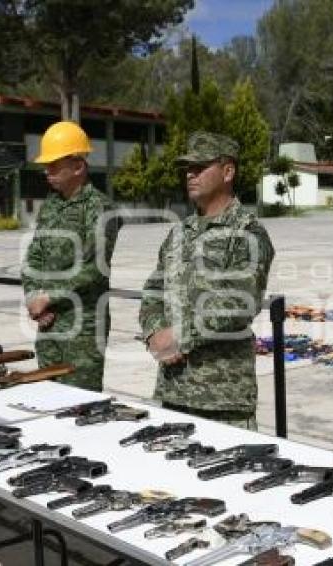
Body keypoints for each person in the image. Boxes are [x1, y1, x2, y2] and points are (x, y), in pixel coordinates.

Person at [139, 131, 274, 430]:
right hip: (173, 391)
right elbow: (153, 291)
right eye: (188, 168)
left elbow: (239, 304)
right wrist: (153, 334)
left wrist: (179, 337)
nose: (190, 174)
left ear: (228, 171)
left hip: (222, 400)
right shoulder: (179, 233)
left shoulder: (248, 233)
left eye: (200, 167)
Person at [21, 122, 120, 391]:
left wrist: (47, 297)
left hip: (82, 327)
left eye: (54, 165)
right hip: (48, 321)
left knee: (80, 404)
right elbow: (34, 257)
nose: (46, 171)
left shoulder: (99, 208)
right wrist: (34, 299)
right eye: (46, 165)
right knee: (47, 395)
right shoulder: (51, 206)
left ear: (78, 167)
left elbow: (94, 268)